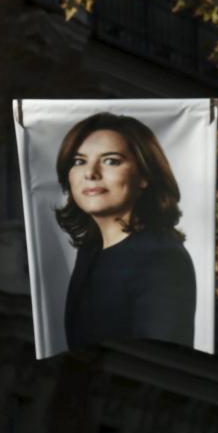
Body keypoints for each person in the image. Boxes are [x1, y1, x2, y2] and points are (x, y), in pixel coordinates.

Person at [53, 111, 196, 350]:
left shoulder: (161, 258)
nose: (91, 173)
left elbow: (158, 360)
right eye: (79, 161)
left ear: (144, 176)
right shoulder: (91, 251)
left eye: (111, 160)